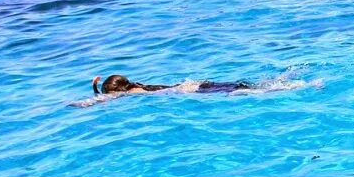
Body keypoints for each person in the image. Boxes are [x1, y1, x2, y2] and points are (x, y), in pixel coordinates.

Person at [88, 73, 255, 99]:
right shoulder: (141, 87)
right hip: (198, 86)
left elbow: (110, 97)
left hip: (196, 89)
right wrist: (96, 87)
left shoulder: (134, 92)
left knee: (254, 91)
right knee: (252, 88)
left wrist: (97, 93)